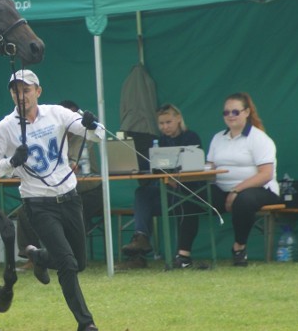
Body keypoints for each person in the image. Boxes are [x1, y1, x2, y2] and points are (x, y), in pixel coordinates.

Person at [0, 69, 103, 331]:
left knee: (79, 262)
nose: (21, 95)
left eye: (27, 90)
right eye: (16, 91)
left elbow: (97, 136)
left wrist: (91, 124)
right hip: (38, 203)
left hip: (70, 198)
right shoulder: (4, 128)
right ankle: (87, 325)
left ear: (38, 91)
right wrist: (11, 163)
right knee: (68, 264)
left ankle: (38, 256)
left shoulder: (57, 114)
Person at [16, 99, 102, 263]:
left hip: (89, 190)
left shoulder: (82, 135)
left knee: (71, 211)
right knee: (26, 209)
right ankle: (32, 256)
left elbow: (73, 164)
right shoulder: (48, 135)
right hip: (55, 191)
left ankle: (65, 257)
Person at [121, 103, 206, 269]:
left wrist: (174, 177)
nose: (165, 127)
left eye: (168, 122)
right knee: (142, 193)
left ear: (178, 119)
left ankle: (180, 256)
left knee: (180, 201)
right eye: (161, 123)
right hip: (166, 189)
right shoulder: (160, 141)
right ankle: (140, 241)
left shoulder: (191, 137)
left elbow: (194, 166)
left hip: (188, 190)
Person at [207, 92, 280, 266]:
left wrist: (236, 190)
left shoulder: (259, 138)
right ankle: (183, 255)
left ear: (246, 112)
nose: (230, 116)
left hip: (260, 190)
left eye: (235, 112)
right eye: (226, 113)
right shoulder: (218, 138)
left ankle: (239, 247)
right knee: (191, 196)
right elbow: (209, 168)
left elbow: (265, 174)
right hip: (223, 189)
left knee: (244, 200)